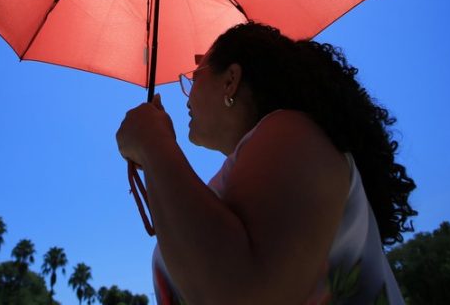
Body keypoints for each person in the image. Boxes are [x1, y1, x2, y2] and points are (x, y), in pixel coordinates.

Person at [116, 22, 416, 305]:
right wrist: (154, 154)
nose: (188, 95)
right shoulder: (263, 160)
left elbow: (242, 292)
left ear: (230, 80)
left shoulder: (293, 133)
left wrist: (153, 145)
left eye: (195, 77)